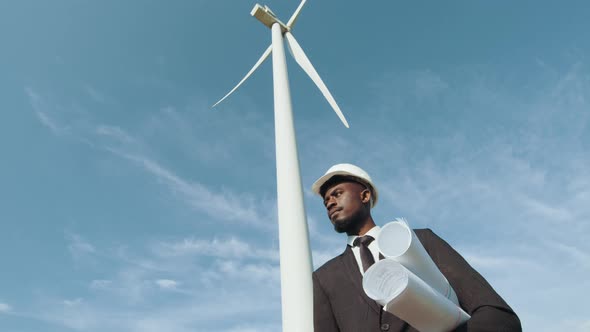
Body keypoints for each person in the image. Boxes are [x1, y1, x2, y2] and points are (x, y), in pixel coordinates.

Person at [311, 163, 521, 332]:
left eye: (337, 194)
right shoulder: (323, 279)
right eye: (326, 200)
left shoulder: (421, 241)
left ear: (365, 196)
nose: (329, 202)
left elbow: (497, 314)